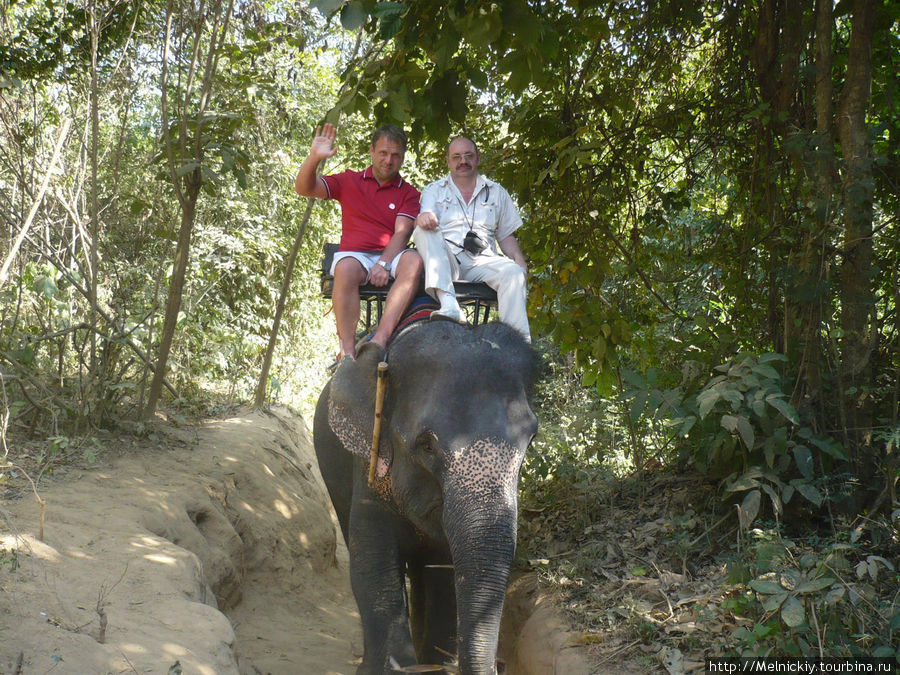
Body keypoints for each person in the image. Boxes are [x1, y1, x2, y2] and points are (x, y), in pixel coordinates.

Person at [295, 123, 423, 360]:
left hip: (391, 255)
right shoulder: (349, 180)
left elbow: (403, 232)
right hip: (355, 256)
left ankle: (381, 339)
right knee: (344, 267)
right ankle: (347, 349)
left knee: (414, 261)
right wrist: (314, 158)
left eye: (395, 155)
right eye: (383, 153)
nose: (388, 160)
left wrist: (384, 263)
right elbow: (304, 188)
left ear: (403, 157)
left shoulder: (409, 193)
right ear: (372, 151)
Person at [413, 136, 530, 341]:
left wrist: (519, 261)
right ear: (448, 161)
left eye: (468, 156)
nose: (463, 161)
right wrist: (424, 218)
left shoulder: (497, 192)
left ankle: (517, 346)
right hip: (446, 260)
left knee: (514, 273)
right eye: (456, 157)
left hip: (483, 261)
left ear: (478, 158)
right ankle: (449, 304)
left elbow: (506, 237)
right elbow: (426, 216)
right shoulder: (434, 190)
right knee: (422, 230)